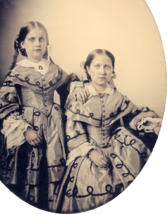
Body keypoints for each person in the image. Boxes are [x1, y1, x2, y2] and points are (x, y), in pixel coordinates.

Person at [0, 21, 87, 211]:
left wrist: (75, 87)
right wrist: (25, 129)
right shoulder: (16, 72)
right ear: (22, 45)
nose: (37, 44)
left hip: (54, 131)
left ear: (47, 43)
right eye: (32, 39)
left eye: (41, 39)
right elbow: (4, 104)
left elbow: (68, 82)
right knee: (30, 178)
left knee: (53, 177)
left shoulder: (53, 69)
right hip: (30, 128)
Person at [53, 49, 162, 213]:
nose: (102, 71)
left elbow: (134, 115)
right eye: (97, 66)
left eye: (107, 67)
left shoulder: (117, 97)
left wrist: (152, 125)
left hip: (116, 148)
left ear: (113, 71)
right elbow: (73, 131)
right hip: (88, 153)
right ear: (88, 70)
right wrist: (91, 153)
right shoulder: (80, 97)